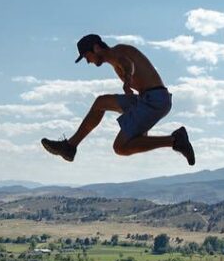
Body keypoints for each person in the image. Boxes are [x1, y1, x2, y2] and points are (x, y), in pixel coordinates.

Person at [41, 33, 195, 166]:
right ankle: (70, 147)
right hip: (147, 99)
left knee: (120, 148)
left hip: (154, 100)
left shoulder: (117, 52)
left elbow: (128, 64)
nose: (88, 61)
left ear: (95, 48)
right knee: (100, 103)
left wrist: (127, 79)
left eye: (87, 56)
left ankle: (174, 140)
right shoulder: (114, 57)